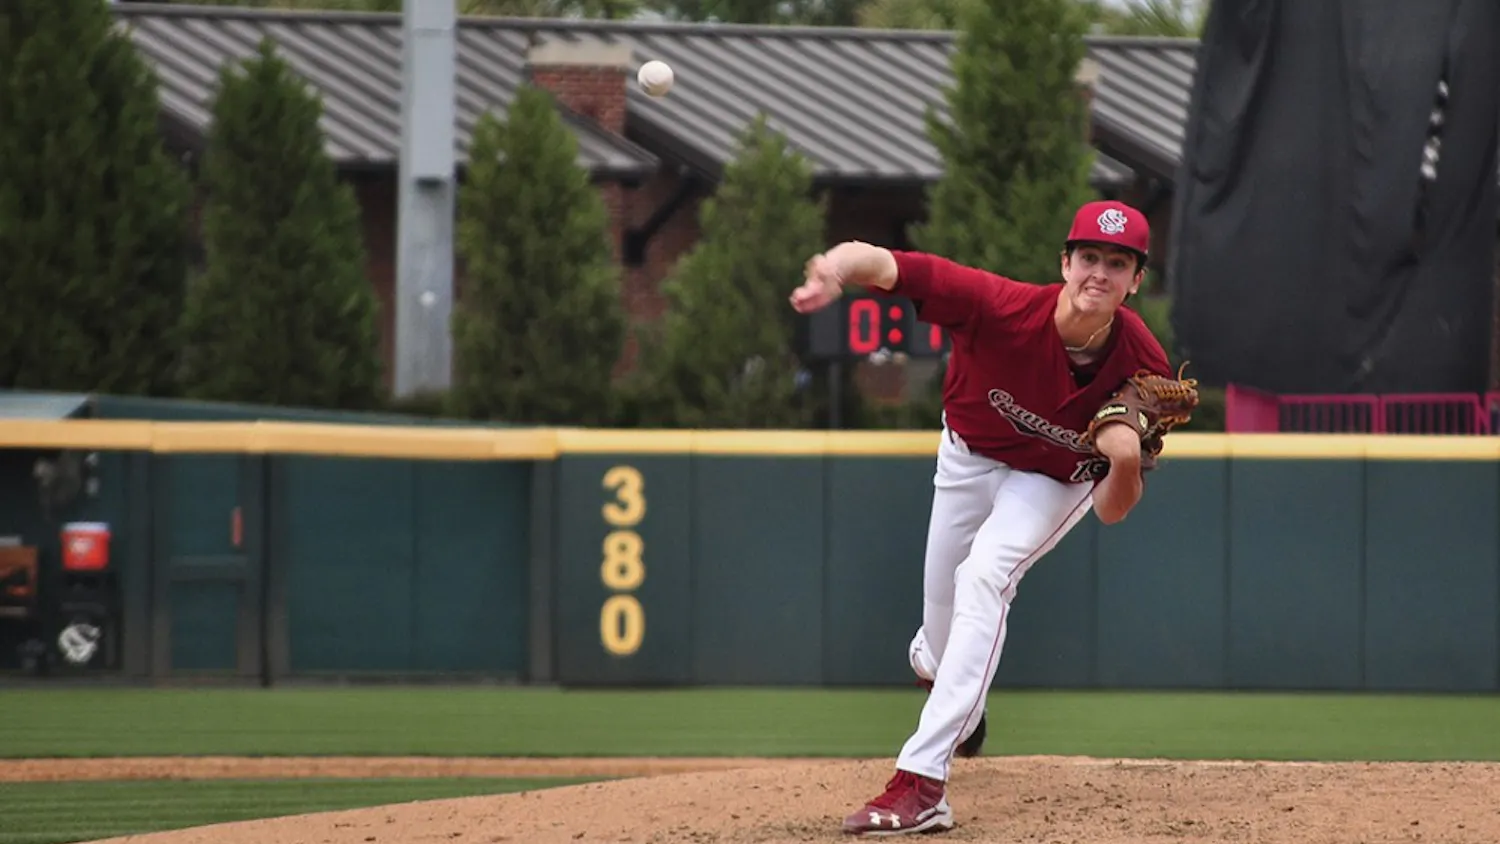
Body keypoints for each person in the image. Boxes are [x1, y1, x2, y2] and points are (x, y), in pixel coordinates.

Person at [789, 200, 1179, 837]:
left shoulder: (1144, 366)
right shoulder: (999, 307)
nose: (1099, 273)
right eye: (1088, 257)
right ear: (1065, 263)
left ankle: (922, 784)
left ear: (1136, 281)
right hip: (967, 458)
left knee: (985, 576)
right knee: (941, 644)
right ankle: (947, 688)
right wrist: (833, 268)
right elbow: (888, 265)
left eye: (1118, 263)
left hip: (1051, 481)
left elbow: (1112, 512)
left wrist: (1127, 461)